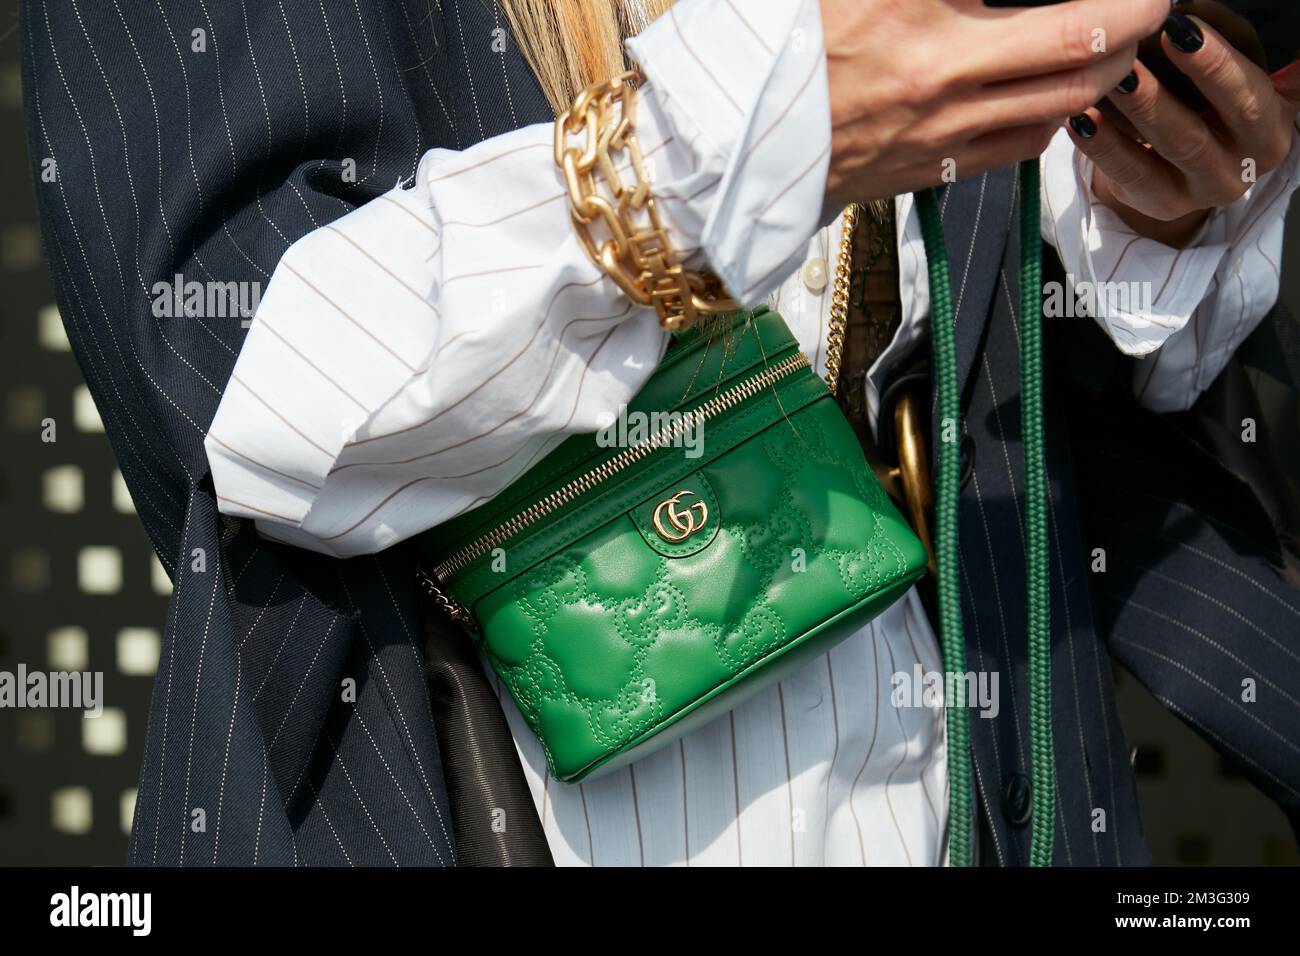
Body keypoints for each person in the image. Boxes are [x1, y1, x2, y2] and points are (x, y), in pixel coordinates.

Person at [23, 0, 1300, 866]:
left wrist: (1148, 210)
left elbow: (988, 355)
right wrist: (702, 165)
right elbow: (245, 377)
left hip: (975, 787)